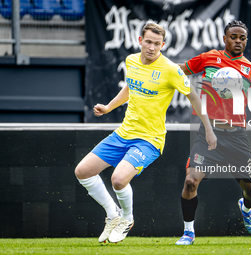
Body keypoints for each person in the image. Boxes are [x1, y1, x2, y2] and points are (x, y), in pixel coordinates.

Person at [74, 23, 217, 244]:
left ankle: (127, 219)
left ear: (163, 45)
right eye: (148, 42)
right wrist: (109, 107)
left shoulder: (170, 70)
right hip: (123, 134)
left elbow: (194, 97)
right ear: (140, 40)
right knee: (82, 171)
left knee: (118, 180)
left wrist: (208, 129)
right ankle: (113, 214)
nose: (151, 47)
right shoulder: (131, 60)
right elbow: (130, 87)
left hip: (149, 140)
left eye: (157, 44)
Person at [175, 20, 251, 245]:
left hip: (237, 136)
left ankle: (245, 207)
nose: (238, 41)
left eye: (242, 38)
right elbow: (177, 71)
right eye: (234, 37)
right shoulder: (208, 58)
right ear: (225, 39)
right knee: (191, 181)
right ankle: (188, 233)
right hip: (209, 133)